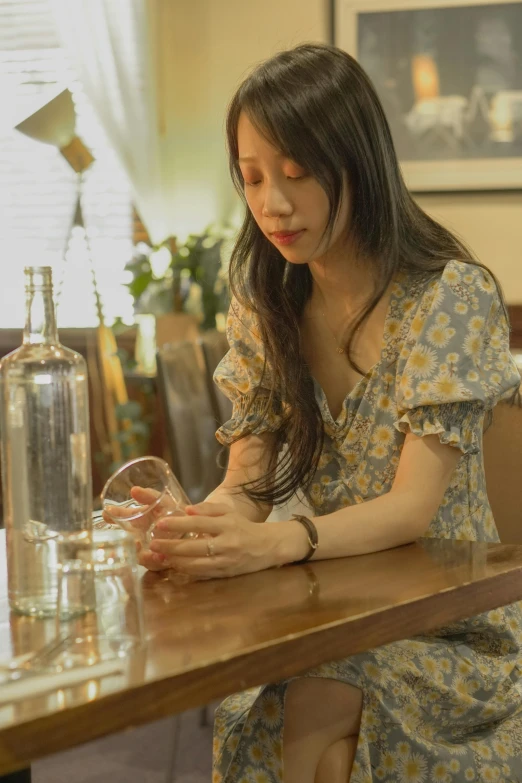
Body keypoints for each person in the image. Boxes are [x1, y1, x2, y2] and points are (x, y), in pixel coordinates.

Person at [143, 43, 522, 783]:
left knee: (312, 706)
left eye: (297, 173)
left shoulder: (450, 294)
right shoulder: (267, 299)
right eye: (251, 178)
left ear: (360, 164)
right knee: (276, 701)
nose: (271, 204)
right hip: (334, 610)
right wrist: (192, 527)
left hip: (449, 621)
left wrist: (276, 542)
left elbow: (413, 508)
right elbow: (247, 486)